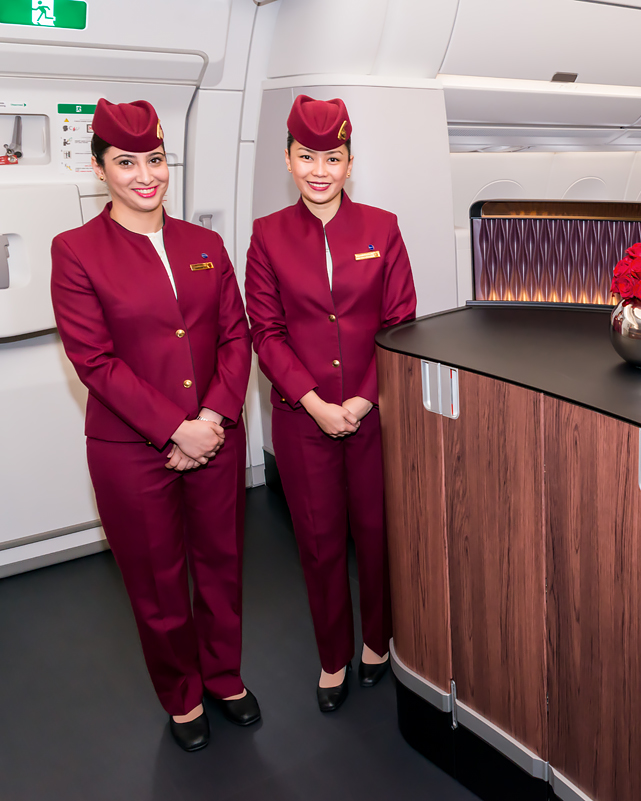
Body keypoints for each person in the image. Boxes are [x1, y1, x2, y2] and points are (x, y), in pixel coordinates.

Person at [50, 99, 257, 752]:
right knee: (158, 581)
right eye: (127, 162)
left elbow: (237, 336)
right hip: (132, 450)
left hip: (217, 435)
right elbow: (96, 361)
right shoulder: (76, 251)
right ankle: (183, 693)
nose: (146, 176)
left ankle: (224, 675)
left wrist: (215, 416)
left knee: (222, 565)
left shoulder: (205, 245)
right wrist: (176, 428)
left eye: (156, 160)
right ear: (99, 168)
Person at [244, 95, 417, 713]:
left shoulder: (382, 228)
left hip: (373, 415)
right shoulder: (266, 237)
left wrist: (365, 400)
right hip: (302, 418)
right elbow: (265, 332)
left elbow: (399, 322)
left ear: (350, 162)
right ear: (288, 159)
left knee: (375, 531)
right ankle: (332, 655)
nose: (321, 170)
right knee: (318, 542)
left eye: (334, 157)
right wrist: (316, 403)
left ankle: (377, 641)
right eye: (308, 156)